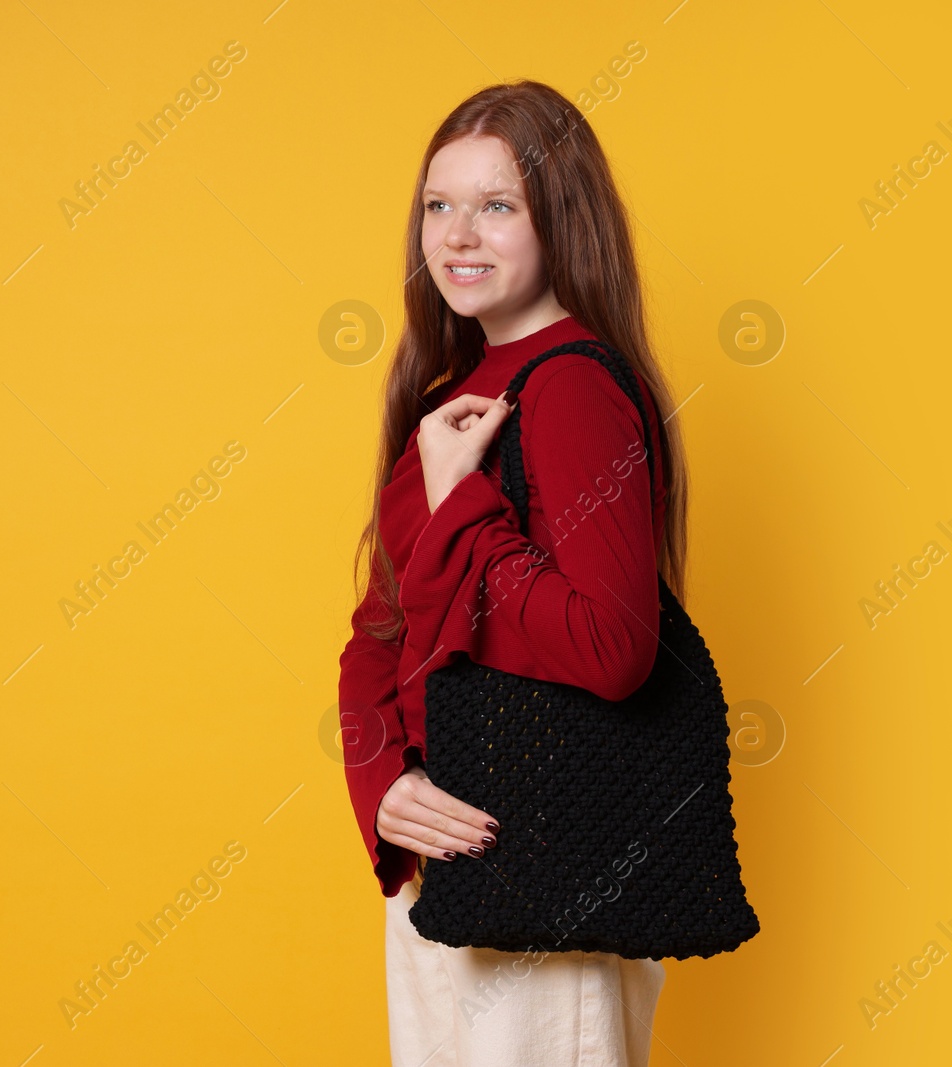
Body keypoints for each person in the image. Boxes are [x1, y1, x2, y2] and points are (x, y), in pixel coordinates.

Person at [338, 80, 692, 1065]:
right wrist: (381, 785)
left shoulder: (572, 384)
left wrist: (461, 506)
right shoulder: (453, 392)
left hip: (544, 874)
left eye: (496, 205)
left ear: (559, 220)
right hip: (443, 875)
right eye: (437, 205)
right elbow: (380, 630)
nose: (457, 233)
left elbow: (611, 646)